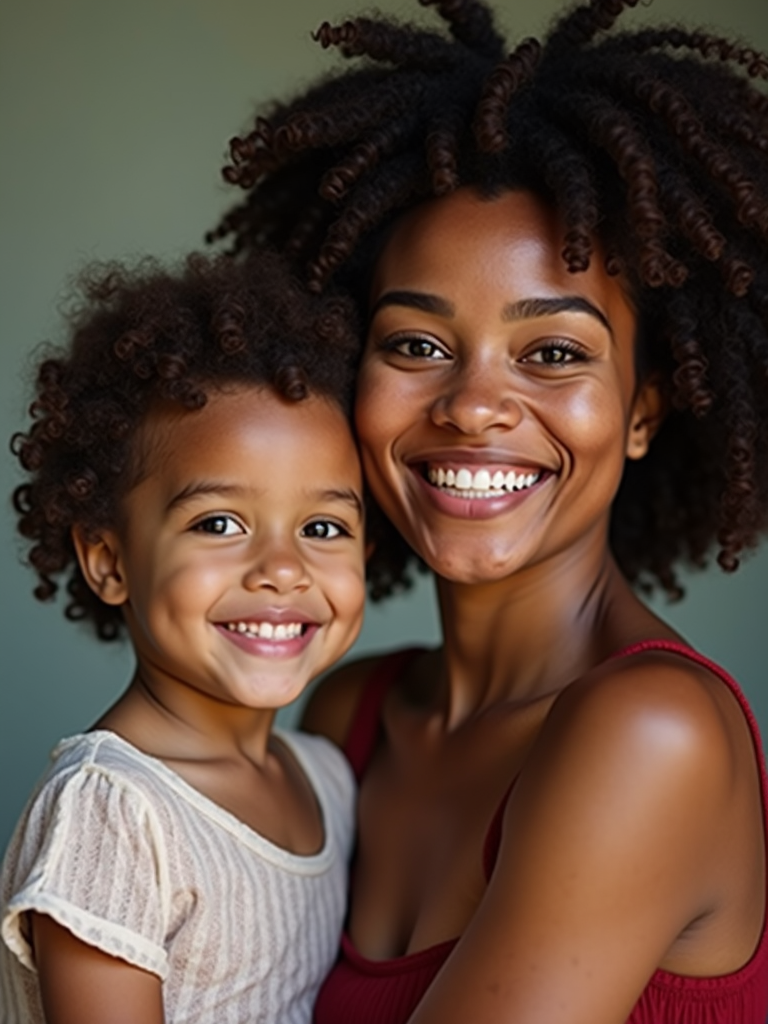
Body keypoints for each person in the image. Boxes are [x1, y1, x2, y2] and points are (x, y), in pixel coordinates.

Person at [209, 0, 768, 1021]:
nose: (471, 404)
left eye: (554, 353)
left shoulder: (651, 734)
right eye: (415, 345)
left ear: (643, 409)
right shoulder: (351, 717)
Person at [0, 251, 366, 1023]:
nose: (282, 569)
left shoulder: (330, 778)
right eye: (219, 523)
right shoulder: (113, 810)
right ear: (108, 560)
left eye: (324, 526)